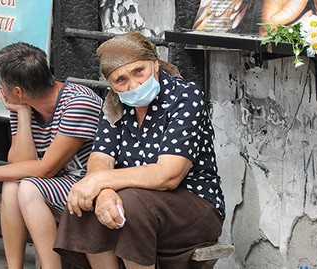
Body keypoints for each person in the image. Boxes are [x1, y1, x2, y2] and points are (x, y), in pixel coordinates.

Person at [54, 31, 225, 269]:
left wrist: (102, 181)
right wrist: (103, 192)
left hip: (194, 208)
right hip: (137, 201)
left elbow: (168, 175)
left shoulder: (185, 96)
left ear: (154, 65)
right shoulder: (114, 102)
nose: (134, 84)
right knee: (85, 200)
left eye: (139, 71)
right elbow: (100, 158)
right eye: (120, 80)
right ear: (111, 86)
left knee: (128, 205)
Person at [0, 42, 103, 269]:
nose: (1, 90)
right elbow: (20, 165)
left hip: (90, 182)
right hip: (59, 182)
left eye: (2, 84)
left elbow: (45, 169)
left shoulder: (78, 102)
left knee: (28, 187)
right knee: (13, 186)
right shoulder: (24, 104)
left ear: (18, 90)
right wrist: (22, 113)